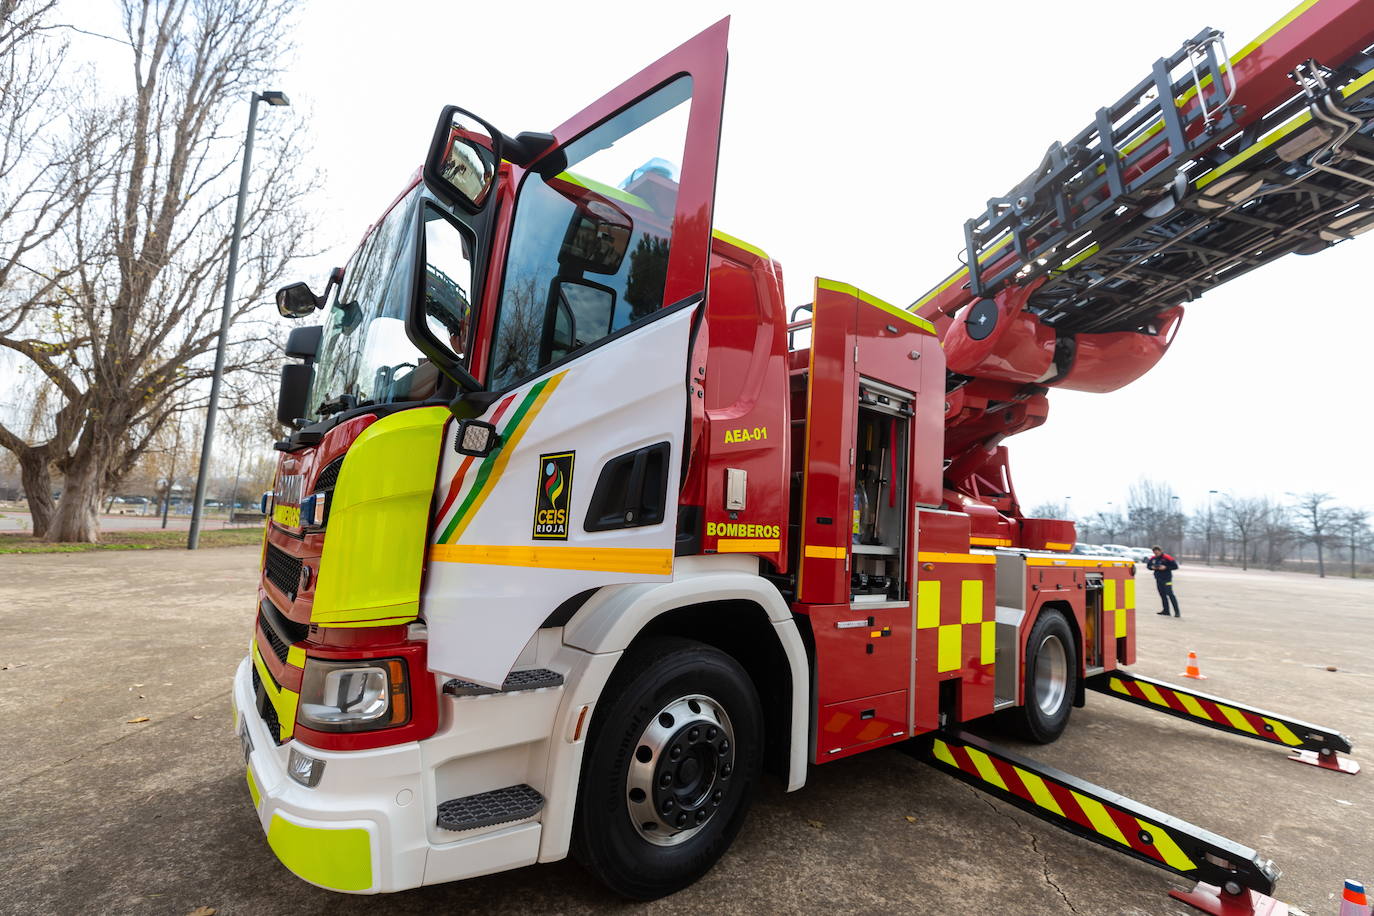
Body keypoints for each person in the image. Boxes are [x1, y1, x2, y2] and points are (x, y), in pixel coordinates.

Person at [1147, 546, 1181, 617]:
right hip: (1158, 579)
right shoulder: (1153, 558)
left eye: (1157, 553)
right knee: (1162, 595)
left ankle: (1177, 612)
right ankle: (1166, 611)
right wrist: (1152, 567)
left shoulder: (1167, 557)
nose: (1156, 554)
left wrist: (1166, 567)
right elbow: (1148, 566)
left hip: (1167, 579)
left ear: (1160, 551)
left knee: (1170, 594)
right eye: (1155, 553)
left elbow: (1175, 566)